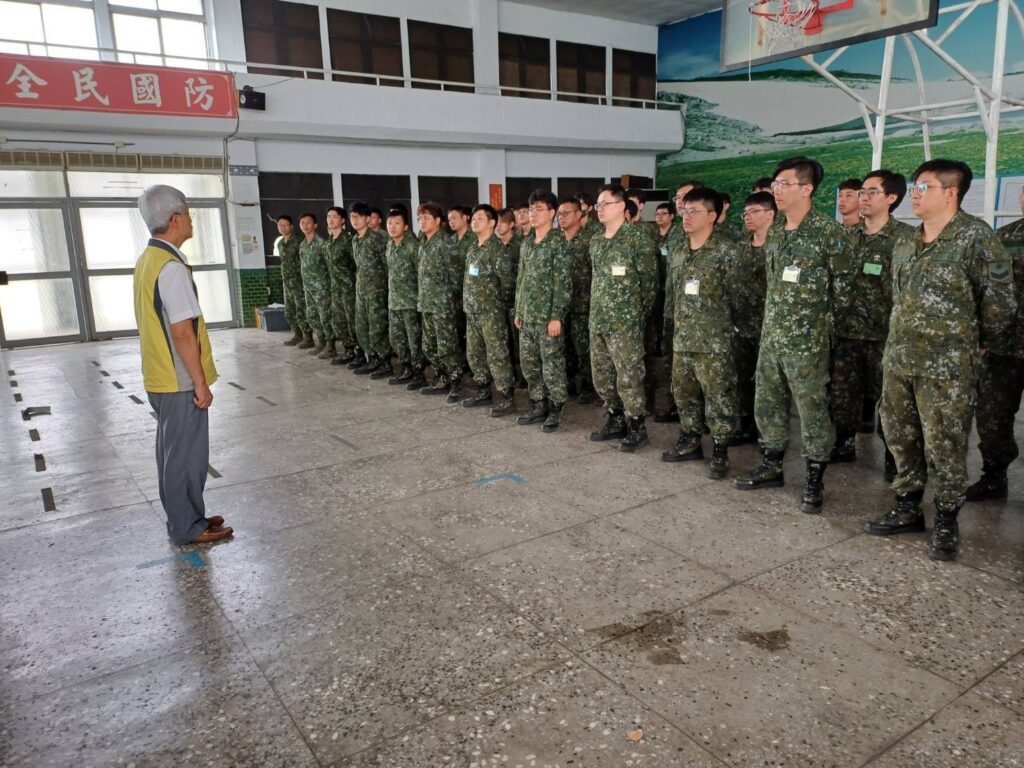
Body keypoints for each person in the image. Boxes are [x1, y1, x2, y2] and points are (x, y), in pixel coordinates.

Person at [867, 160, 1016, 561]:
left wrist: (974, 346)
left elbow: (1000, 307)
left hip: (947, 367)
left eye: (924, 187)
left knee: (945, 444)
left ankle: (947, 518)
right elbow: (893, 296)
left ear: (951, 192)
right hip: (899, 360)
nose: (915, 194)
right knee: (900, 438)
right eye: (914, 187)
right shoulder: (905, 241)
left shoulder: (976, 239)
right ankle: (907, 506)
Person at [734, 156, 850, 514]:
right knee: (767, 405)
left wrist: (819, 332)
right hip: (773, 339)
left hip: (807, 343)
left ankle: (814, 477)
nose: (776, 191)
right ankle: (771, 464)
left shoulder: (829, 234)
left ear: (806, 189)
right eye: (775, 185)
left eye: (784, 185)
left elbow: (843, 294)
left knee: (812, 410)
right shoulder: (778, 232)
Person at [133, 185, 232, 544]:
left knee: (173, 453)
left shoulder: (148, 260)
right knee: (186, 457)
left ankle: (188, 515)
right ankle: (187, 526)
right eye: (188, 214)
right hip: (178, 381)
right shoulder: (171, 268)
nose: (191, 220)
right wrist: (200, 382)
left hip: (160, 376)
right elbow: (183, 333)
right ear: (175, 219)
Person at [830, 170, 911, 476]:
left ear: (891, 198)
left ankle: (894, 455)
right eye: (861, 191)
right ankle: (843, 442)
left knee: (891, 400)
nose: (863, 197)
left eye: (871, 192)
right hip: (847, 331)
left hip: (885, 335)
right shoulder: (846, 237)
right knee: (843, 394)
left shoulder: (904, 239)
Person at [662, 187, 741, 478]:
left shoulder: (727, 251)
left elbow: (739, 297)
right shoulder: (680, 250)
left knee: (718, 396)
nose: (686, 216)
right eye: (684, 210)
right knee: (685, 395)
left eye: (693, 211)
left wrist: (729, 330)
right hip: (683, 338)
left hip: (714, 342)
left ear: (713, 215)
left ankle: (720, 450)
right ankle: (690, 440)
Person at [588, 183, 658, 451]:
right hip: (599, 320)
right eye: (597, 205)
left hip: (625, 323)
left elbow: (649, 284)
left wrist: (636, 316)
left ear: (621, 206)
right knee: (602, 376)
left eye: (604, 204)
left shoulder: (637, 239)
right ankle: (616, 418)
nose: (599, 209)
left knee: (629, 376)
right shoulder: (596, 240)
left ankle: (637, 426)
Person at [967, 187, 1024, 500]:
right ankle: (993, 475)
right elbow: (983, 288)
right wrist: (981, 335)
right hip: (1002, 344)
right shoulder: (1003, 237)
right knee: (991, 415)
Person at [514, 190, 572, 431]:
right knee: (530, 364)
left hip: (548, 318)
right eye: (531, 209)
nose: (533, 214)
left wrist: (556, 316)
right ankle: (538, 403)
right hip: (527, 316)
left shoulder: (559, 242)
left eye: (539, 209)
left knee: (552, 365)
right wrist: (518, 310)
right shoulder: (527, 241)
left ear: (551, 213)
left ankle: (556, 407)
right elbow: (522, 278)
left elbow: (563, 283)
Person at [656, 180, 704, 423]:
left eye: (685, 197)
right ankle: (677, 405)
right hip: (673, 309)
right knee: (672, 362)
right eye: (677, 197)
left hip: (700, 320)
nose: (679, 201)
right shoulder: (676, 233)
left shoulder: (716, 241)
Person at [461, 204, 516, 416]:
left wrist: (497, 306)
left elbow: (508, 283)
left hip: (491, 313)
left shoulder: (497, 249)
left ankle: (506, 396)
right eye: (473, 218)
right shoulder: (473, 247)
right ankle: (483, 390)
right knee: (475, 353)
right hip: (473, 312)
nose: (474, 221)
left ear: (492, 223)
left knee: (497, 354)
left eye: (480, 218)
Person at [733, 192, 774, 443]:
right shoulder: (740, 247)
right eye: (745, 213)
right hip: (742, 325)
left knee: (767, 383)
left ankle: (767, 433)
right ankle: (745, 424)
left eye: (754, 212)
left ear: (770, 214)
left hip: (768, 326)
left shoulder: (779, 247)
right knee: (743, 379)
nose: (748, 217)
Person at [417, 202, 463, 398]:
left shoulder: (445, 244)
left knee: (447, 346)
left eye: (427, 218)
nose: (422, 222)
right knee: (429, 345)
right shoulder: (424, 243)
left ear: (437, 221)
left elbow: (455, 276)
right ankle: (441, 377)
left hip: (442, 304)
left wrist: (450, 300)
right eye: (420, 218)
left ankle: (455, 382)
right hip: (427, 303)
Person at [558, 197, 596, 404]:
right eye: (559, 214)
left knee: (583, 348)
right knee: (564, 347)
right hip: (562, 306)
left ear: (578, 215)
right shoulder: (556, 241)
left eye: (566, 213)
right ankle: (570, 381)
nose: (561, 217)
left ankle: (589, 386)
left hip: (583, 304)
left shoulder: (590, 240)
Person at [348, 202, 391, 376]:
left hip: (377, 291)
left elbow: (387, 264)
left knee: (377, 327)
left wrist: (385, 288)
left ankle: (384, 361)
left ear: (367, 218)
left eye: (358, 217)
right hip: (361, 291)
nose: (355, 221)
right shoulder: (355, 241)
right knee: (362, 327)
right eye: (352, 217)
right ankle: (371, 358)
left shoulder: (378, 239)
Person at [384, 206, 425, 386]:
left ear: (406, 226)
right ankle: (406, 368)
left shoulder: (413, 246)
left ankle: (418, 373)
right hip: (394, 301)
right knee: (398, 339)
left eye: (397, 223)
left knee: (413, 339)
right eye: (390, 223)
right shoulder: (389, 245)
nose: (393, 227)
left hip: (410, 302)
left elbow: (421, 274)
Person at [324, 206, 359, 365]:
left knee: (352, 322)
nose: (330, 219)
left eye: (335, 217)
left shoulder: (348, 240)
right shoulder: (330, 241)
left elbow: (356, 264)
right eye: (329, 216)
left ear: (343, 220)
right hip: (336, 288)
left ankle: (359, 352)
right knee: (339, 322)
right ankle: (348, 350)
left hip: (348, 288)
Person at [497, 207, 525, 386]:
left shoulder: (519, 245)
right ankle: (510, 375)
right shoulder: (495, 246)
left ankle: (524, 376)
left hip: (515, 301)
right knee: (503, 340)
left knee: (518, 342)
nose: (498, 227)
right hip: (499, 302)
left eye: (502, 223)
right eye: (497, 224)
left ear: (512, 224)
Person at [275, 215, 312, 348]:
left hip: (299, 282)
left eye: (285, 225)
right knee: (290, 311)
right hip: (287, 283)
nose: (283, 228)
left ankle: (308, 337)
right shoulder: (280, 244)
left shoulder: (298, 242)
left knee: (301, 310)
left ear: (291, 226)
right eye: (280, 225)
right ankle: (297, 335)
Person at [298, 213, 332, 356]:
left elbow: (329, 266)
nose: (305, 226)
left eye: (308, 223)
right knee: (312, 316)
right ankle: (321, 342)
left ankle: (331, 346)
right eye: (302, 223)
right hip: (308, 288)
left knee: (325, 316)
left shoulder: (322, 244)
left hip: (322, 288)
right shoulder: (303, 245)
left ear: (315, 225)